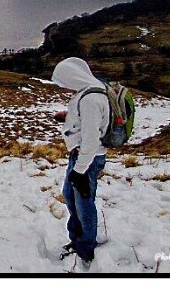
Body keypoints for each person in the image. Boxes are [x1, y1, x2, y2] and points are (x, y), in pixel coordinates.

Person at [51, 57, 109, 268]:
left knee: (83, 203)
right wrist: (68, 116)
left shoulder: (90, 99)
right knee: (70, 195)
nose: (65, 87)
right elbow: (88, 120)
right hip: (81, 156)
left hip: (87, 159)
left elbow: (92, 139)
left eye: (65, 81)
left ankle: (85, 247)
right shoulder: (89, 91)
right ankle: (77, 238)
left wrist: (80, 170)